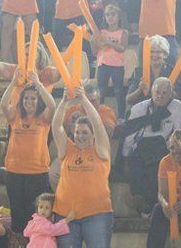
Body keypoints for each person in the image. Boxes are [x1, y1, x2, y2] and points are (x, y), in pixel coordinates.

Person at [52, 85, 113, 247]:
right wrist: (64, 102)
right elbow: (56, 126)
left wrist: (84, 100)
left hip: (97, 215)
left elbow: (98, 124)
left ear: (93, 135)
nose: (80, 136)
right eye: (78, 132)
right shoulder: (68, 149)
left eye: (85, 132)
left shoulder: (100, 150)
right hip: (66, 215)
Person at [0, 70, 56, 239]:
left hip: (37, 174)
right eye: (26, 98)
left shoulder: (44, 118)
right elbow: (3, 104)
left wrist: (38, 84)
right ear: (21, 101)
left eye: (33, 98)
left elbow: (52, 105)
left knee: (37, 216)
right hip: (15, 173)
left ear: (38, 101)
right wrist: (14, 83)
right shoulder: (15, 116)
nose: (29, 101)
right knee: (17, 215)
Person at [122, 77, 181, 214]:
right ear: (152, 92)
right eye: (158, 92)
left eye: (165, 93)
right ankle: (140, 203)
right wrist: (125, 157)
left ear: (170, 94)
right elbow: (130, 134)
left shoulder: (177, 106)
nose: (161, 96)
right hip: (141, 147)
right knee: (135, 166)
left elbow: (180, 132)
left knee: (155, 169)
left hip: (164, 148)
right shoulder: (139, 108)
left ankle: (152, 207)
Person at [92, 4, 128, 118]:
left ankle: (121, 117)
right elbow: (95, 52)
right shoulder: (101, 32)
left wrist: (109, 43)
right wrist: (92, 41)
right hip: (103, 65)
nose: (110, 17)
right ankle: (98, 116)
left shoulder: (123, 32)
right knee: (101, 92)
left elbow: (122, 48)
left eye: (113, 14)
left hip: (118, 66)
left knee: (119, 92)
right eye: (107, 15)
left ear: (119, 17)